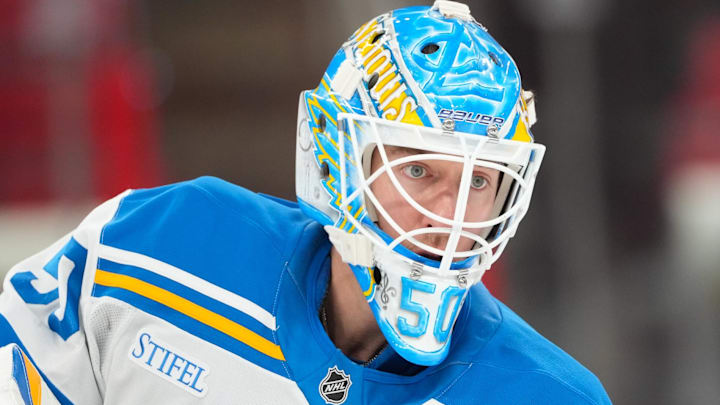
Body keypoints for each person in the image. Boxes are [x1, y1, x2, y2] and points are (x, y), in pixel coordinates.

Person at [0, 1, 611, 404]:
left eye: (479, 181)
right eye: (420, 169)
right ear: (336, 160)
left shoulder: (549, 395)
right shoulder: (159, 244)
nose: (450, 214)